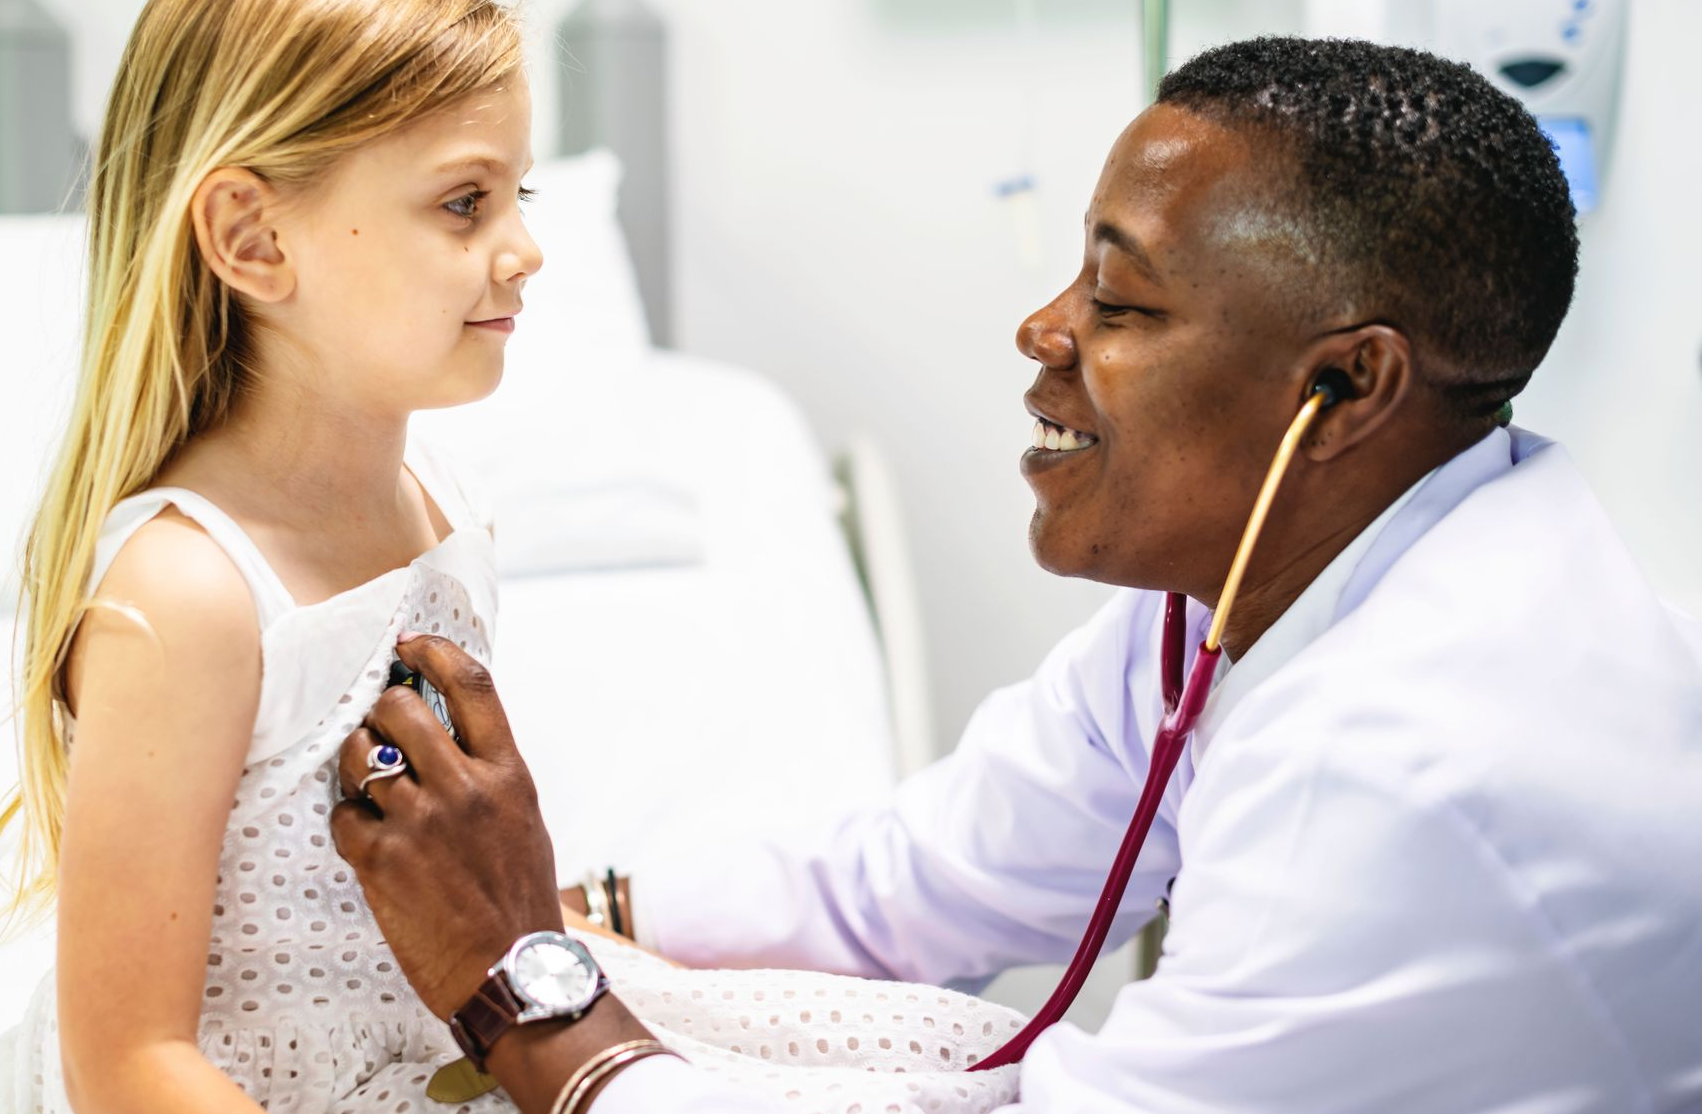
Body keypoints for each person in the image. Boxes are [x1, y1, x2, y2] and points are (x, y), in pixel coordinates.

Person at [328, 36, 1702, 1114]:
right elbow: (922, 877)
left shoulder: (1397, 777)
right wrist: (594, 910)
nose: (1039, 330)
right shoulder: (1265, 585)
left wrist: (524, 983)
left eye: (1121, 302)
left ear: (1343, 385)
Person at [0, 1, 540, 1110]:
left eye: (516, 197)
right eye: (463, 203)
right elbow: (130, 1065)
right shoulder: (189, 594)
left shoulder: (439, 504)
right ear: (252, 239)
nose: (525, 250)